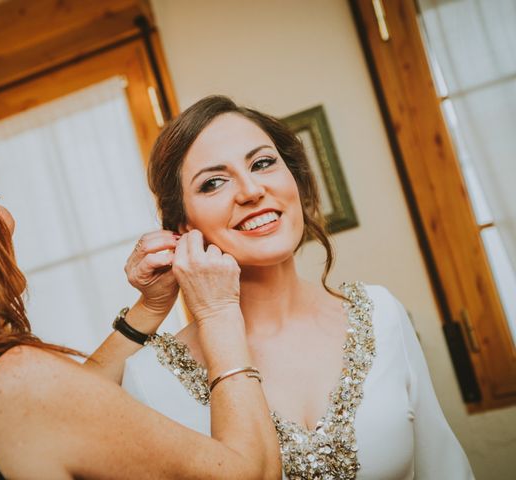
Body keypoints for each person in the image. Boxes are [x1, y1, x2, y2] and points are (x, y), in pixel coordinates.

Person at [0, 119, 282, 479]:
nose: (7, 217)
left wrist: (150, 308)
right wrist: (217, 310)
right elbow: (251, 474)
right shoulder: (19, 382)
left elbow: (70, 408)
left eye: (263, 163)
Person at [116, 96, 475, 479]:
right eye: (213, 182)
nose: (251, 190)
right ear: (184, 228)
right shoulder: (149, 377)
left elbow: (445, 468)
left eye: (263, 163)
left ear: (295, 180)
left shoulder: (380, 312)